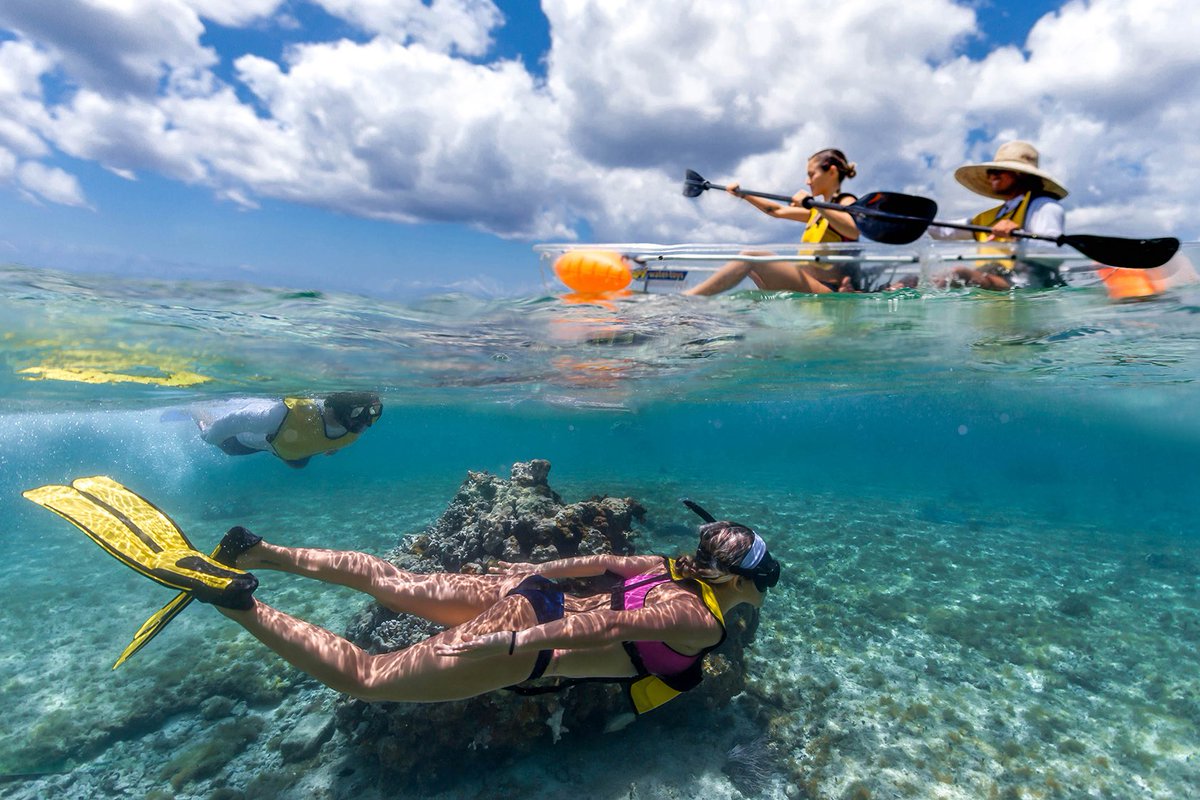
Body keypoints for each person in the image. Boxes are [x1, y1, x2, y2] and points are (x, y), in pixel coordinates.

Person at [23, 479, 781, 717]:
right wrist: (507, 645)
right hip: (529, 641)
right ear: (743, 580)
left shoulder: (665, 564)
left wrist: (518, 577)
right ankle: (237, 598)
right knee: (368, 676)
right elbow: (612, 627)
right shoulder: (697, 623)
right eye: (760, 581)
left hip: (529, 592)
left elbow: (603, 564)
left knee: (394, 579)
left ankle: (258, 549)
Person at [685, 148, 861, 295]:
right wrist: (744, 195)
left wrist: (813, 204)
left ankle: (689, 299)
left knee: (752, 257)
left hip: (829, 289)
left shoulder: (845, 202)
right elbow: (777, 211)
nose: (807, 181)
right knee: (752, 269)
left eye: (811, 174)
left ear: (831, 172)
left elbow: (853, 230)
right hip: (809, 282)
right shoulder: (816, 211)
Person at [927, 140, 1070, 289]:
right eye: (990, 172)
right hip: (993, 278)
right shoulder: (990, 217)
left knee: (958, 274)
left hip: (1027, 283)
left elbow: (1054, 253)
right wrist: (909, 223)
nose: (991, 177)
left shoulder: (1044, 206)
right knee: (911, 281)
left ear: (1021, 174)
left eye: (997, 171)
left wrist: (1017, 236)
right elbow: (945, 231)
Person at [186, 392, 382, 468]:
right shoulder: (280, 415)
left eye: (373, 413)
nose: (364, 422)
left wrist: (332, 445)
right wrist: (208, 436)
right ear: (331, 407)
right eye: (355, 413)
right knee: (221, 442)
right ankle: (196, 408)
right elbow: (236, 420)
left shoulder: (356, 426)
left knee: (298, 463)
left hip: (291, 447)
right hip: (242, 442)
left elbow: (340, 434)